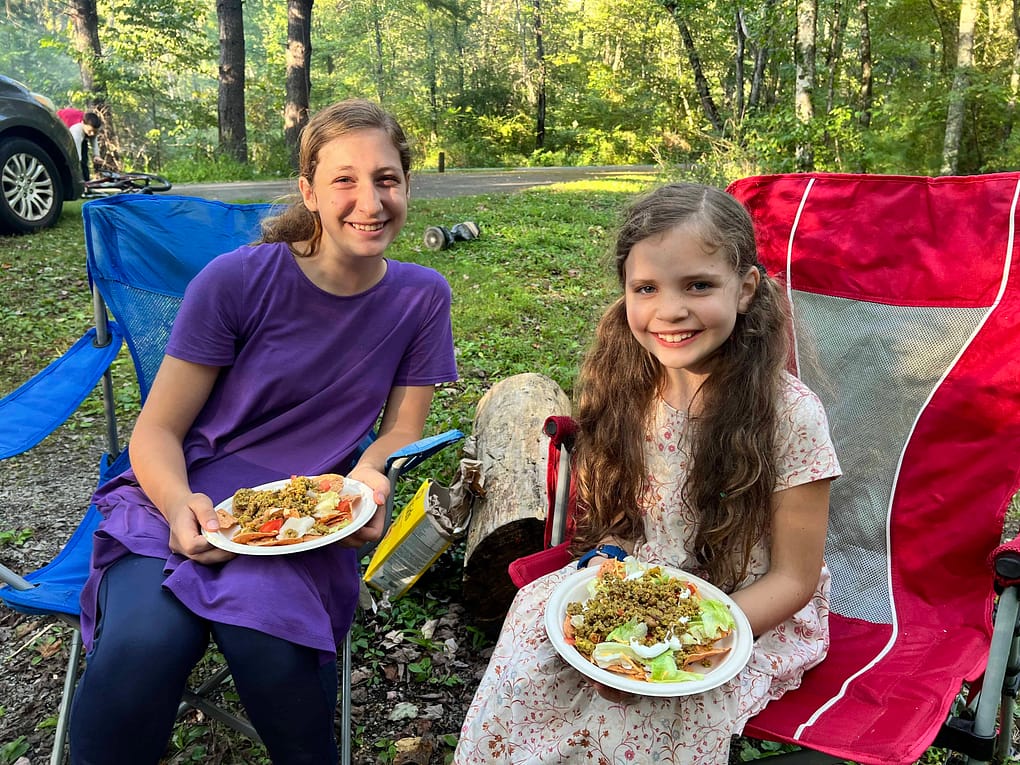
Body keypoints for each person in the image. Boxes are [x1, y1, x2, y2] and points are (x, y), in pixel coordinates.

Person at [67, 98, 458, 765]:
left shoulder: (421, 297)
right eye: (344, 179)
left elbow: (401, 429)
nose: (370, 200)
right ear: (308, 191)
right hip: (186, 496)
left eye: (387, 178)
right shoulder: (238, 281)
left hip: (306, 515)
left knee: (270, 646)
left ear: (407, 186)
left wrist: (370, 472)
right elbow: (156, 432)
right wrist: (176, 504)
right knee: (141, 648)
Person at [454, 183, 841, 764]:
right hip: (642, 579)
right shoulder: (628, 389)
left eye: (699, 285)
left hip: (740, 612)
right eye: (647, 289)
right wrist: (609, 563)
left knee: (643, 714)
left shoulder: (789, 415)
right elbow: (625, 523)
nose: (670, 311)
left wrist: (680, 643)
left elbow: (793, 580)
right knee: (528, 654)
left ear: (746, 289)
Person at [67, 111, 103, 180]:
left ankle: (86, 181)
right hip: (69, 137)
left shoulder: (90, 129)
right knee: (79, 164)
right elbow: (77, 158)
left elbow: (93, 138)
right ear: (83, 123)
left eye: (95, 131)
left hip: (82, 135)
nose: (92, 133)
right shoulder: (76, 132)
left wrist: (96, 155)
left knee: (84, 162)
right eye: (90, 131)